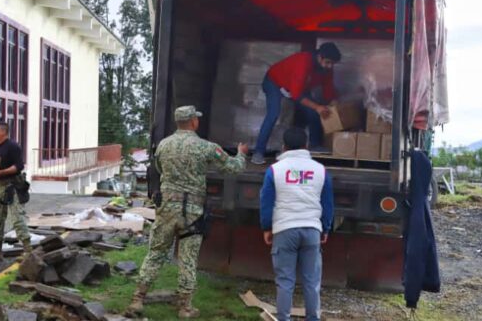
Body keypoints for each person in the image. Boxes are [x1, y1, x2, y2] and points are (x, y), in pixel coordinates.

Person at [126, 105, 248, 318]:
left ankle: (137, 299)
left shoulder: (163, 145)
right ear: (193, 121)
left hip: (166, 210)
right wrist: (241, 154)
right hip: (192, 213)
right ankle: (185, 307)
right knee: (188, 260)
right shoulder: (206, 147)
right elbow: (233, 167)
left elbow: (160, 169)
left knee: (155, 253)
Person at [259, 127, 334, 321]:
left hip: (285, 230)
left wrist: (267, 227)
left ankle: (284, 318)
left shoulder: (275, 170)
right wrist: (325, 228)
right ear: (306, 145)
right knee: (312, 281)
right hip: (312, 230)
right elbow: (327, 204)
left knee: (285, 281)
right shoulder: (320, 170)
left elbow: (266, 202)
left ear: (284, 146)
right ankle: (313, 318)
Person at [252, 42, 342, 164]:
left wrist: (332, 102)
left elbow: (328, 88)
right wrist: (317, 107)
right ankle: (258, 152)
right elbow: (296, 95)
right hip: (275, 82)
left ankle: (314, 145)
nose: (330, 66)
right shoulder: (303, 62)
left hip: (297, 87)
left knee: (314, 112)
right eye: (328, 62)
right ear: (320, 57)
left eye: (332, 64)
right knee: (273, 114)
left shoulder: (327, 69)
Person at [0, 122, 31, 262]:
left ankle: (28, 251)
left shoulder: (13, 146)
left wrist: (2, 172)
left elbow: (19, 166)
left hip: (13, 186)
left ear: (3, 132)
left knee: (18, 219)